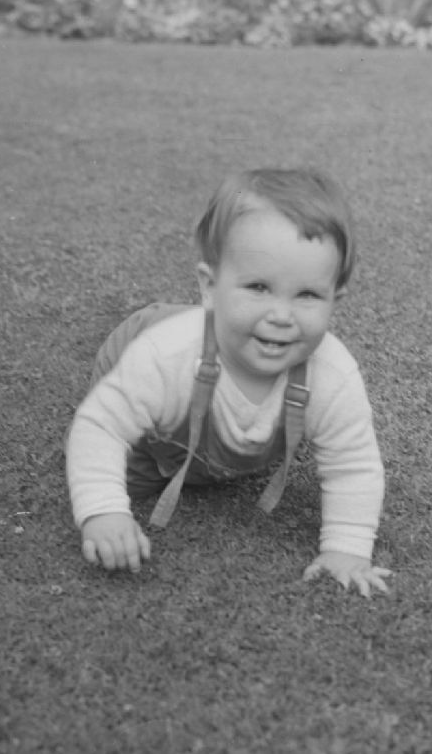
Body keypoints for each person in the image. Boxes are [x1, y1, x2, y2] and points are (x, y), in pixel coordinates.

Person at [65, 167, 390, 597]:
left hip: (214, 383)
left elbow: (353, 466)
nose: (281, 314)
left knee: (224, 453)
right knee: (127, 475)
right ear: (210, 286)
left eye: (307, 295)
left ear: (335, 300)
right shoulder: (164, 354)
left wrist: (346, 550)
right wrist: (103, 513)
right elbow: (100, 428)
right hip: (148, 356)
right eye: (258, 287)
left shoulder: (331, 375)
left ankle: (208, 452)